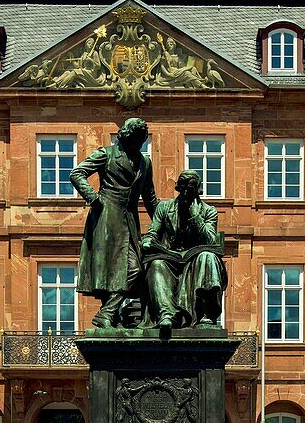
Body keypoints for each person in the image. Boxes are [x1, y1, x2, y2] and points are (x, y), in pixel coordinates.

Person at [70, 117, 158, 328]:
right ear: (126, 137)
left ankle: (106, 313)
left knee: (135, 268)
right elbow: (77, 173)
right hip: (106, 216)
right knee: (108, 268)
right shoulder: (106, 154)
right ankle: (111, 314)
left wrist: (165, 221)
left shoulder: (145, 162)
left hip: (129, 219)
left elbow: (150, 197)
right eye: (136, 140)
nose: (138, 144)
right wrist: (93, 197)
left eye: (141, 141)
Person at [141, 169, 227, 333]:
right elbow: (153, 232)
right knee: (156, 264)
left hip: (195, 260)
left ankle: (206, 315)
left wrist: (195, 217)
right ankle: (167, 316)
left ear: (198, 189)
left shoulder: (209, 211)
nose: (187, 192)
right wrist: (147, 240)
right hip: (170, 258)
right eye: (184, 188)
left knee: (208, 257)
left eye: (191, 189)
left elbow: (210, 239)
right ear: (178, 188)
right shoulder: (164, 208)